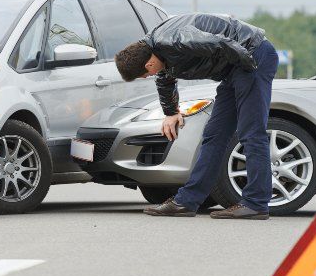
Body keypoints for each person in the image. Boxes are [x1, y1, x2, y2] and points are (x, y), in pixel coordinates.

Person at [115, 13, 279, 220]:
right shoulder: (157, 51)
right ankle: (186, 202)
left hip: (252, 57)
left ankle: (256, 203)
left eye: (145, 74)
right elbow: (165, 80)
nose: (149, 76)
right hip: (235, 68)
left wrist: (250, 68)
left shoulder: (174, 40)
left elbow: (221, 43)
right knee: (213, 135)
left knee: (251, 132)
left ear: (148, 64)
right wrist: (171, 113)